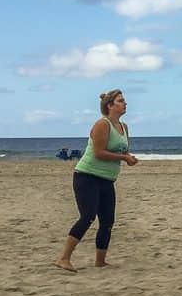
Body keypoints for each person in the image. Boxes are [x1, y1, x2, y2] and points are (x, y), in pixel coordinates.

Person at [55, 89, 137, 272]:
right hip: (87, 176)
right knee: (87, 216)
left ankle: (100, 261)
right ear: (110, 105)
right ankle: (63, 258)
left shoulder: (124, 127)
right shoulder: (102, 124)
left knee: (107, 221)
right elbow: (99, 152)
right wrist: (123, 159)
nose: (125, 104)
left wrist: (128, 157)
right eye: (121, 101)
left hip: (107, 179)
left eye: (124, 101)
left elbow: (121, 151)